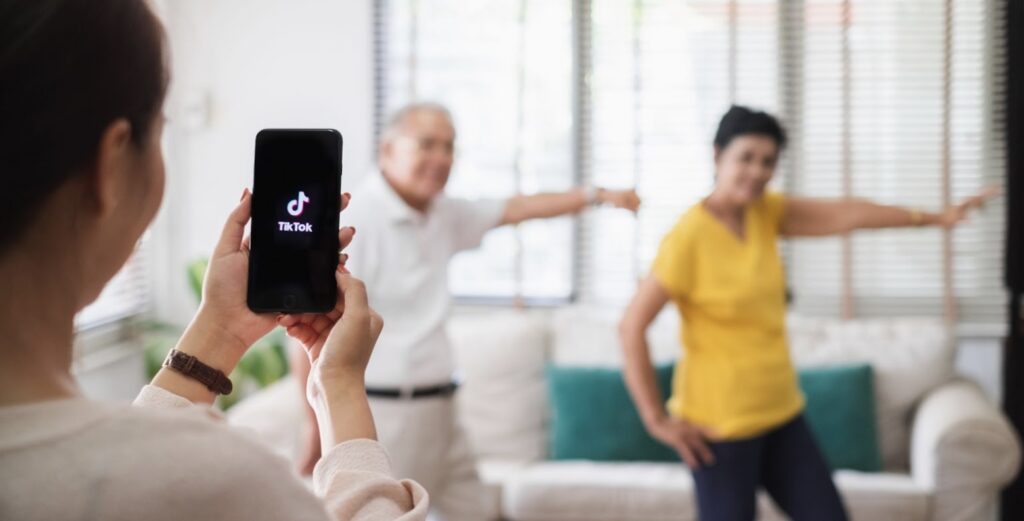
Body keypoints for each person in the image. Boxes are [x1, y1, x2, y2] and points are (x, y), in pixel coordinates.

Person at [0, 1, 427, 519]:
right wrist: (338, 387)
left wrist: (219, 331)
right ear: (110, 165)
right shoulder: (218, 482)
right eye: (161, 130)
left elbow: (134, 459)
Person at [617, 105, 998, 521]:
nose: (758, 171)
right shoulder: (687, 238)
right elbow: (631, 327)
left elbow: (847, 214)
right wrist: (657, 420)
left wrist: (933, 218)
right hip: (719, 428)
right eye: (746, 157)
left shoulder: (765, 212)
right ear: (717, 156)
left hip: (781, 414)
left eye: (768, 161)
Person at [288, 102, 641, 519]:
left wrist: (597, 196)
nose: (442, 158)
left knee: (476, 510)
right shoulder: (354, 219)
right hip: (387, 414)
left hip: (444, 410)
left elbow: (518, 208)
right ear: (388, 151)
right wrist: (315, 422)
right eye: (427, 145)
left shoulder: (444, 213)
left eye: (449, 147)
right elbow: (305, 329)